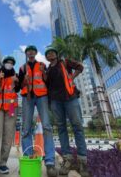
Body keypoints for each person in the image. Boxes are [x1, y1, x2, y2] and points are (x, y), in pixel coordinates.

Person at [45, 46, 90, 177]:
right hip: (55, 102)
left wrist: (72, 77)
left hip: (70, 98)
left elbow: (80, 67)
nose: (50, 54)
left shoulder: (64, 62)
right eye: (48, 54)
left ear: (56, 54)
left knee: (77, 126)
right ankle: (67, 159)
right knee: (61, 128)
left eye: (52, 52)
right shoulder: (48, 70)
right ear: (47, 57)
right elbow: (47, 86)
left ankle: (82, 161)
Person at [18, 45, 57, 177]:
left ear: (35, 53)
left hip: (42, 97)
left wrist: (44, 72)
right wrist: (24, 81)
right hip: (27, 98)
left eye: (33, 51)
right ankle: (28, 159)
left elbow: (47, 81)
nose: (31, 53)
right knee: (26, 129)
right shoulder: (22, 68)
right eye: (28, 51)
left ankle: (50, 162)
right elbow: (19, 86)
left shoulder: (42, 65)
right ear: (26, 53)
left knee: (46, 126)